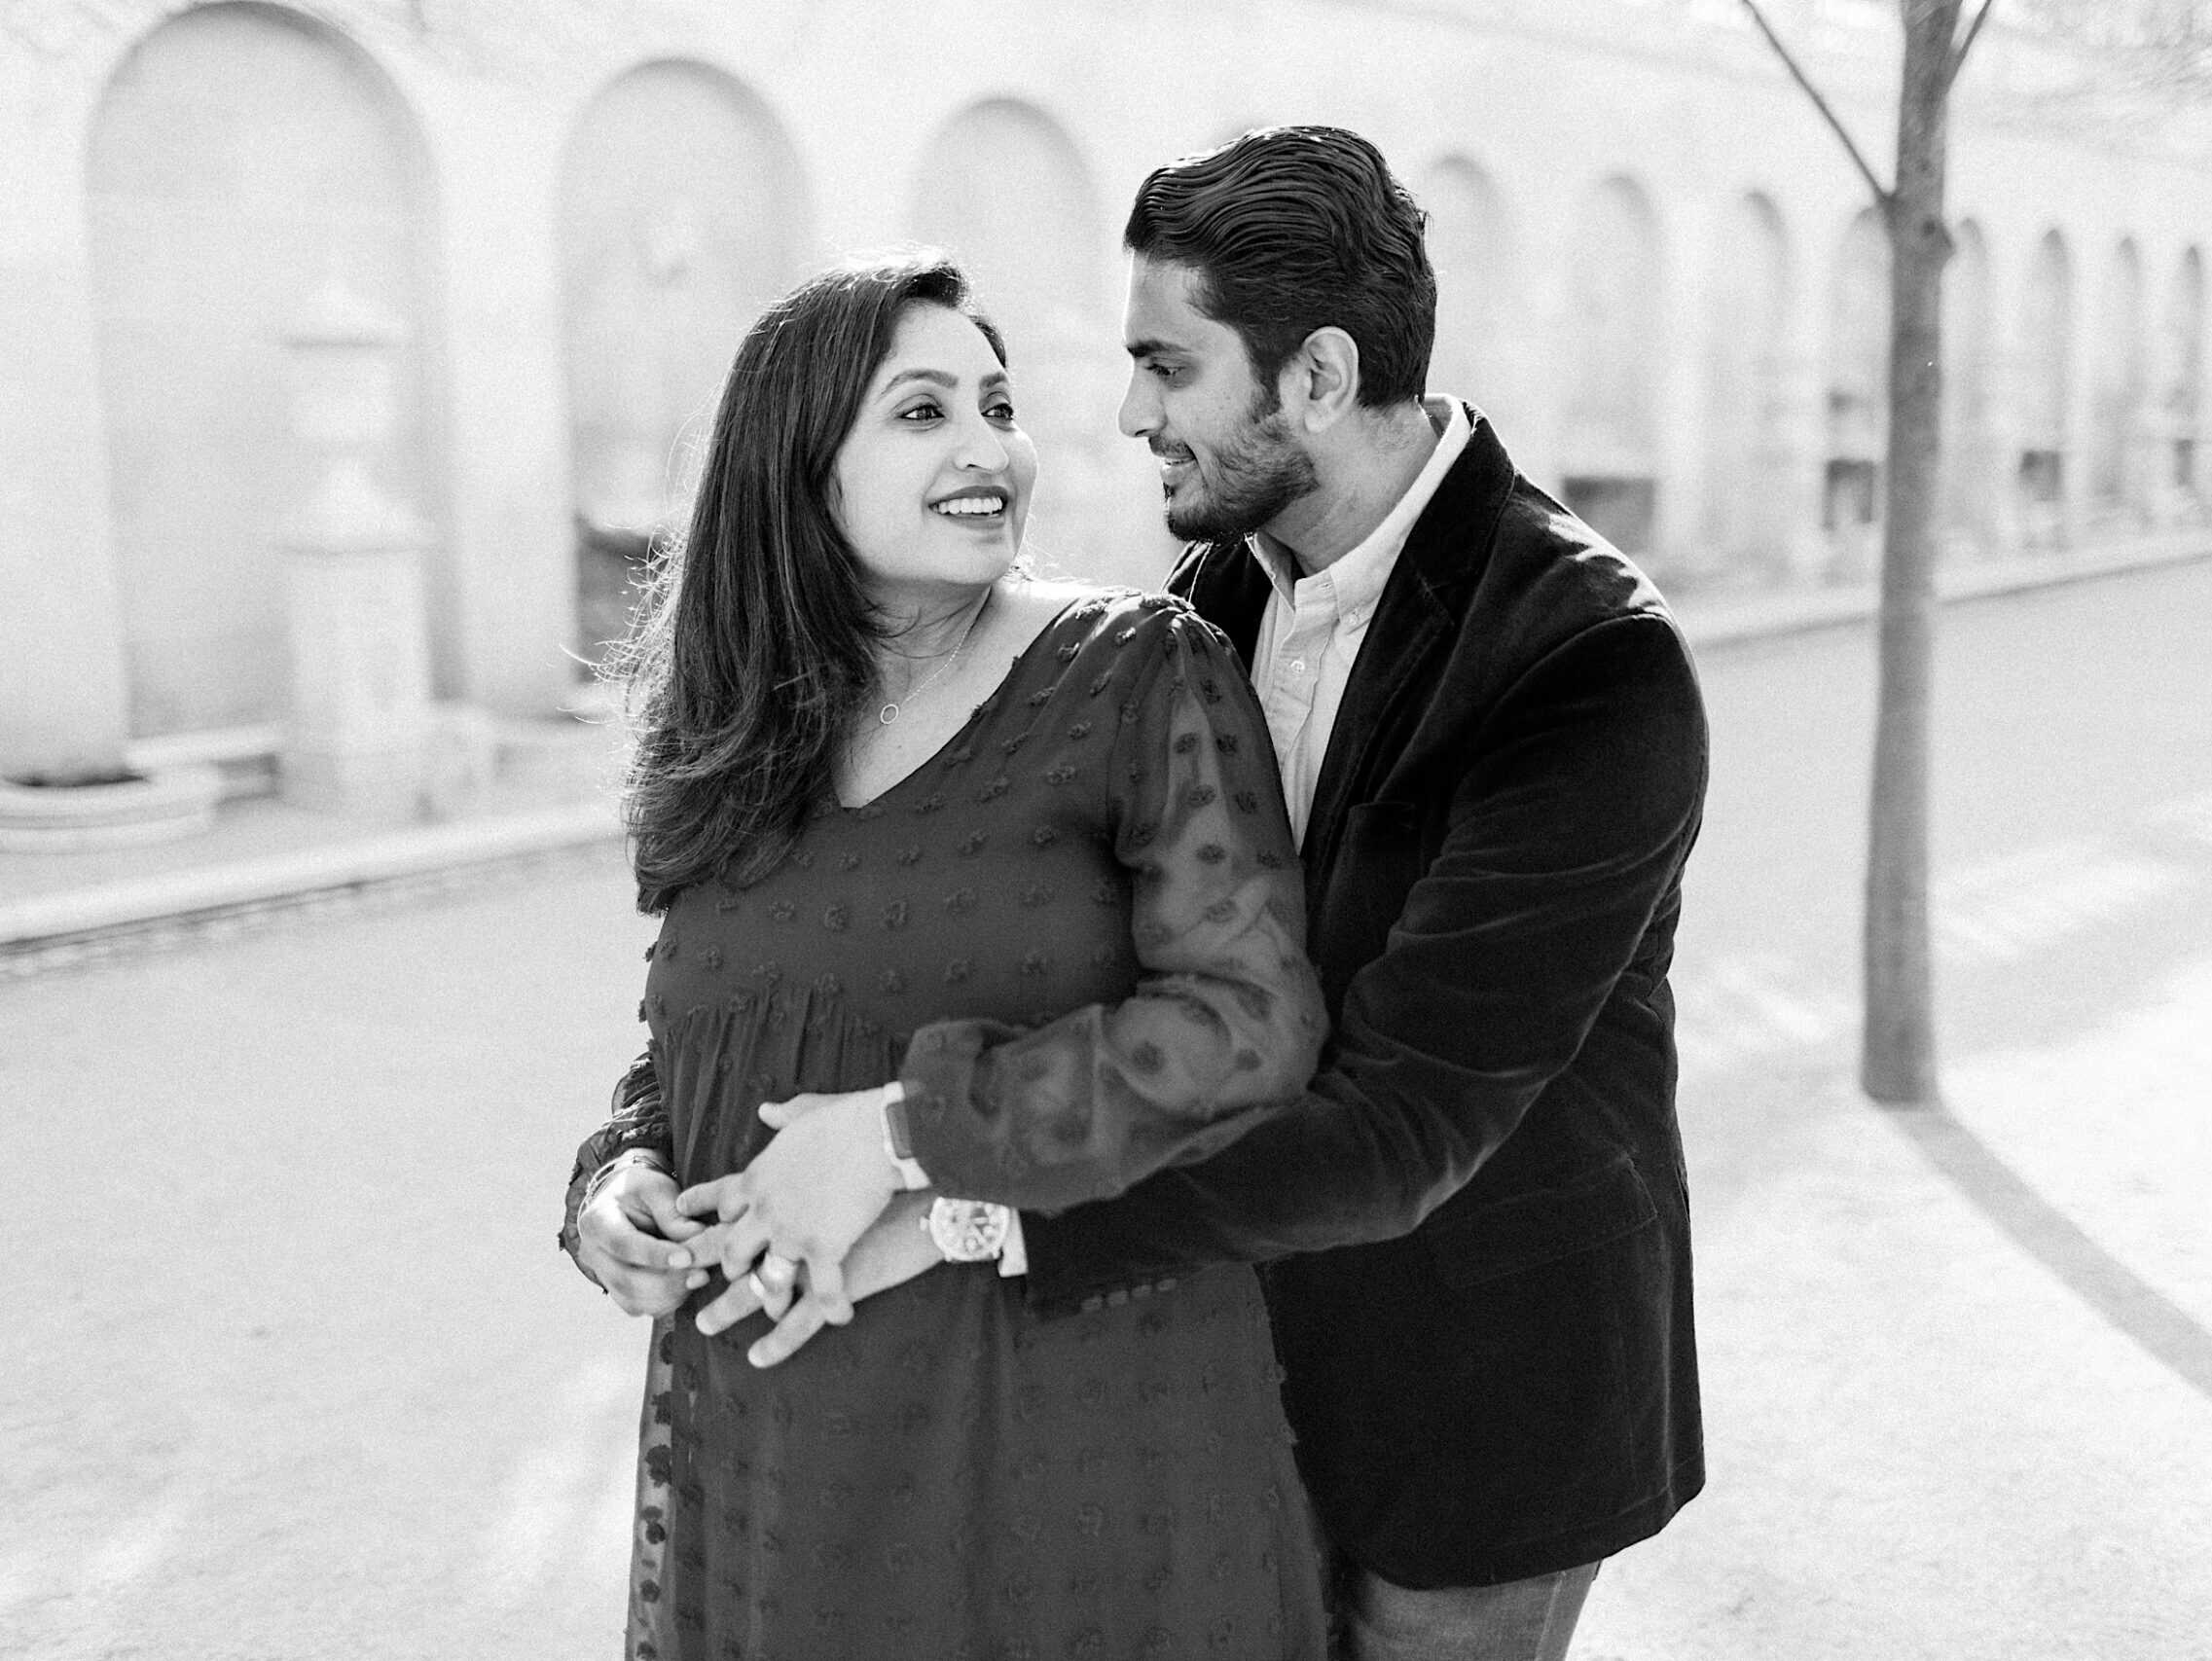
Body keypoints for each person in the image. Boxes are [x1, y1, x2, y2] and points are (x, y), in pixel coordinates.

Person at [671, 126, 1713, 1661]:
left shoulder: (1585, 661)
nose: (1128, 415)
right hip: (1234, 1376)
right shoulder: (1212, 598)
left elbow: (1404, 1130)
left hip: (1478, 1412)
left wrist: (943, 1203)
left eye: (1168, 368)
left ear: (1318, 376)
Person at [559, 248, 1337, 1659]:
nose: (993, 450)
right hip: (778, 1448)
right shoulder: (732, 732)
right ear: (798, 472)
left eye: (997, 405)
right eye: (922, 414)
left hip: (1070, 1430)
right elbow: (697, 1041)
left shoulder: (1132, 673)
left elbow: (1250, 1024)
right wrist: (619, 1182)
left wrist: (912, 1131)